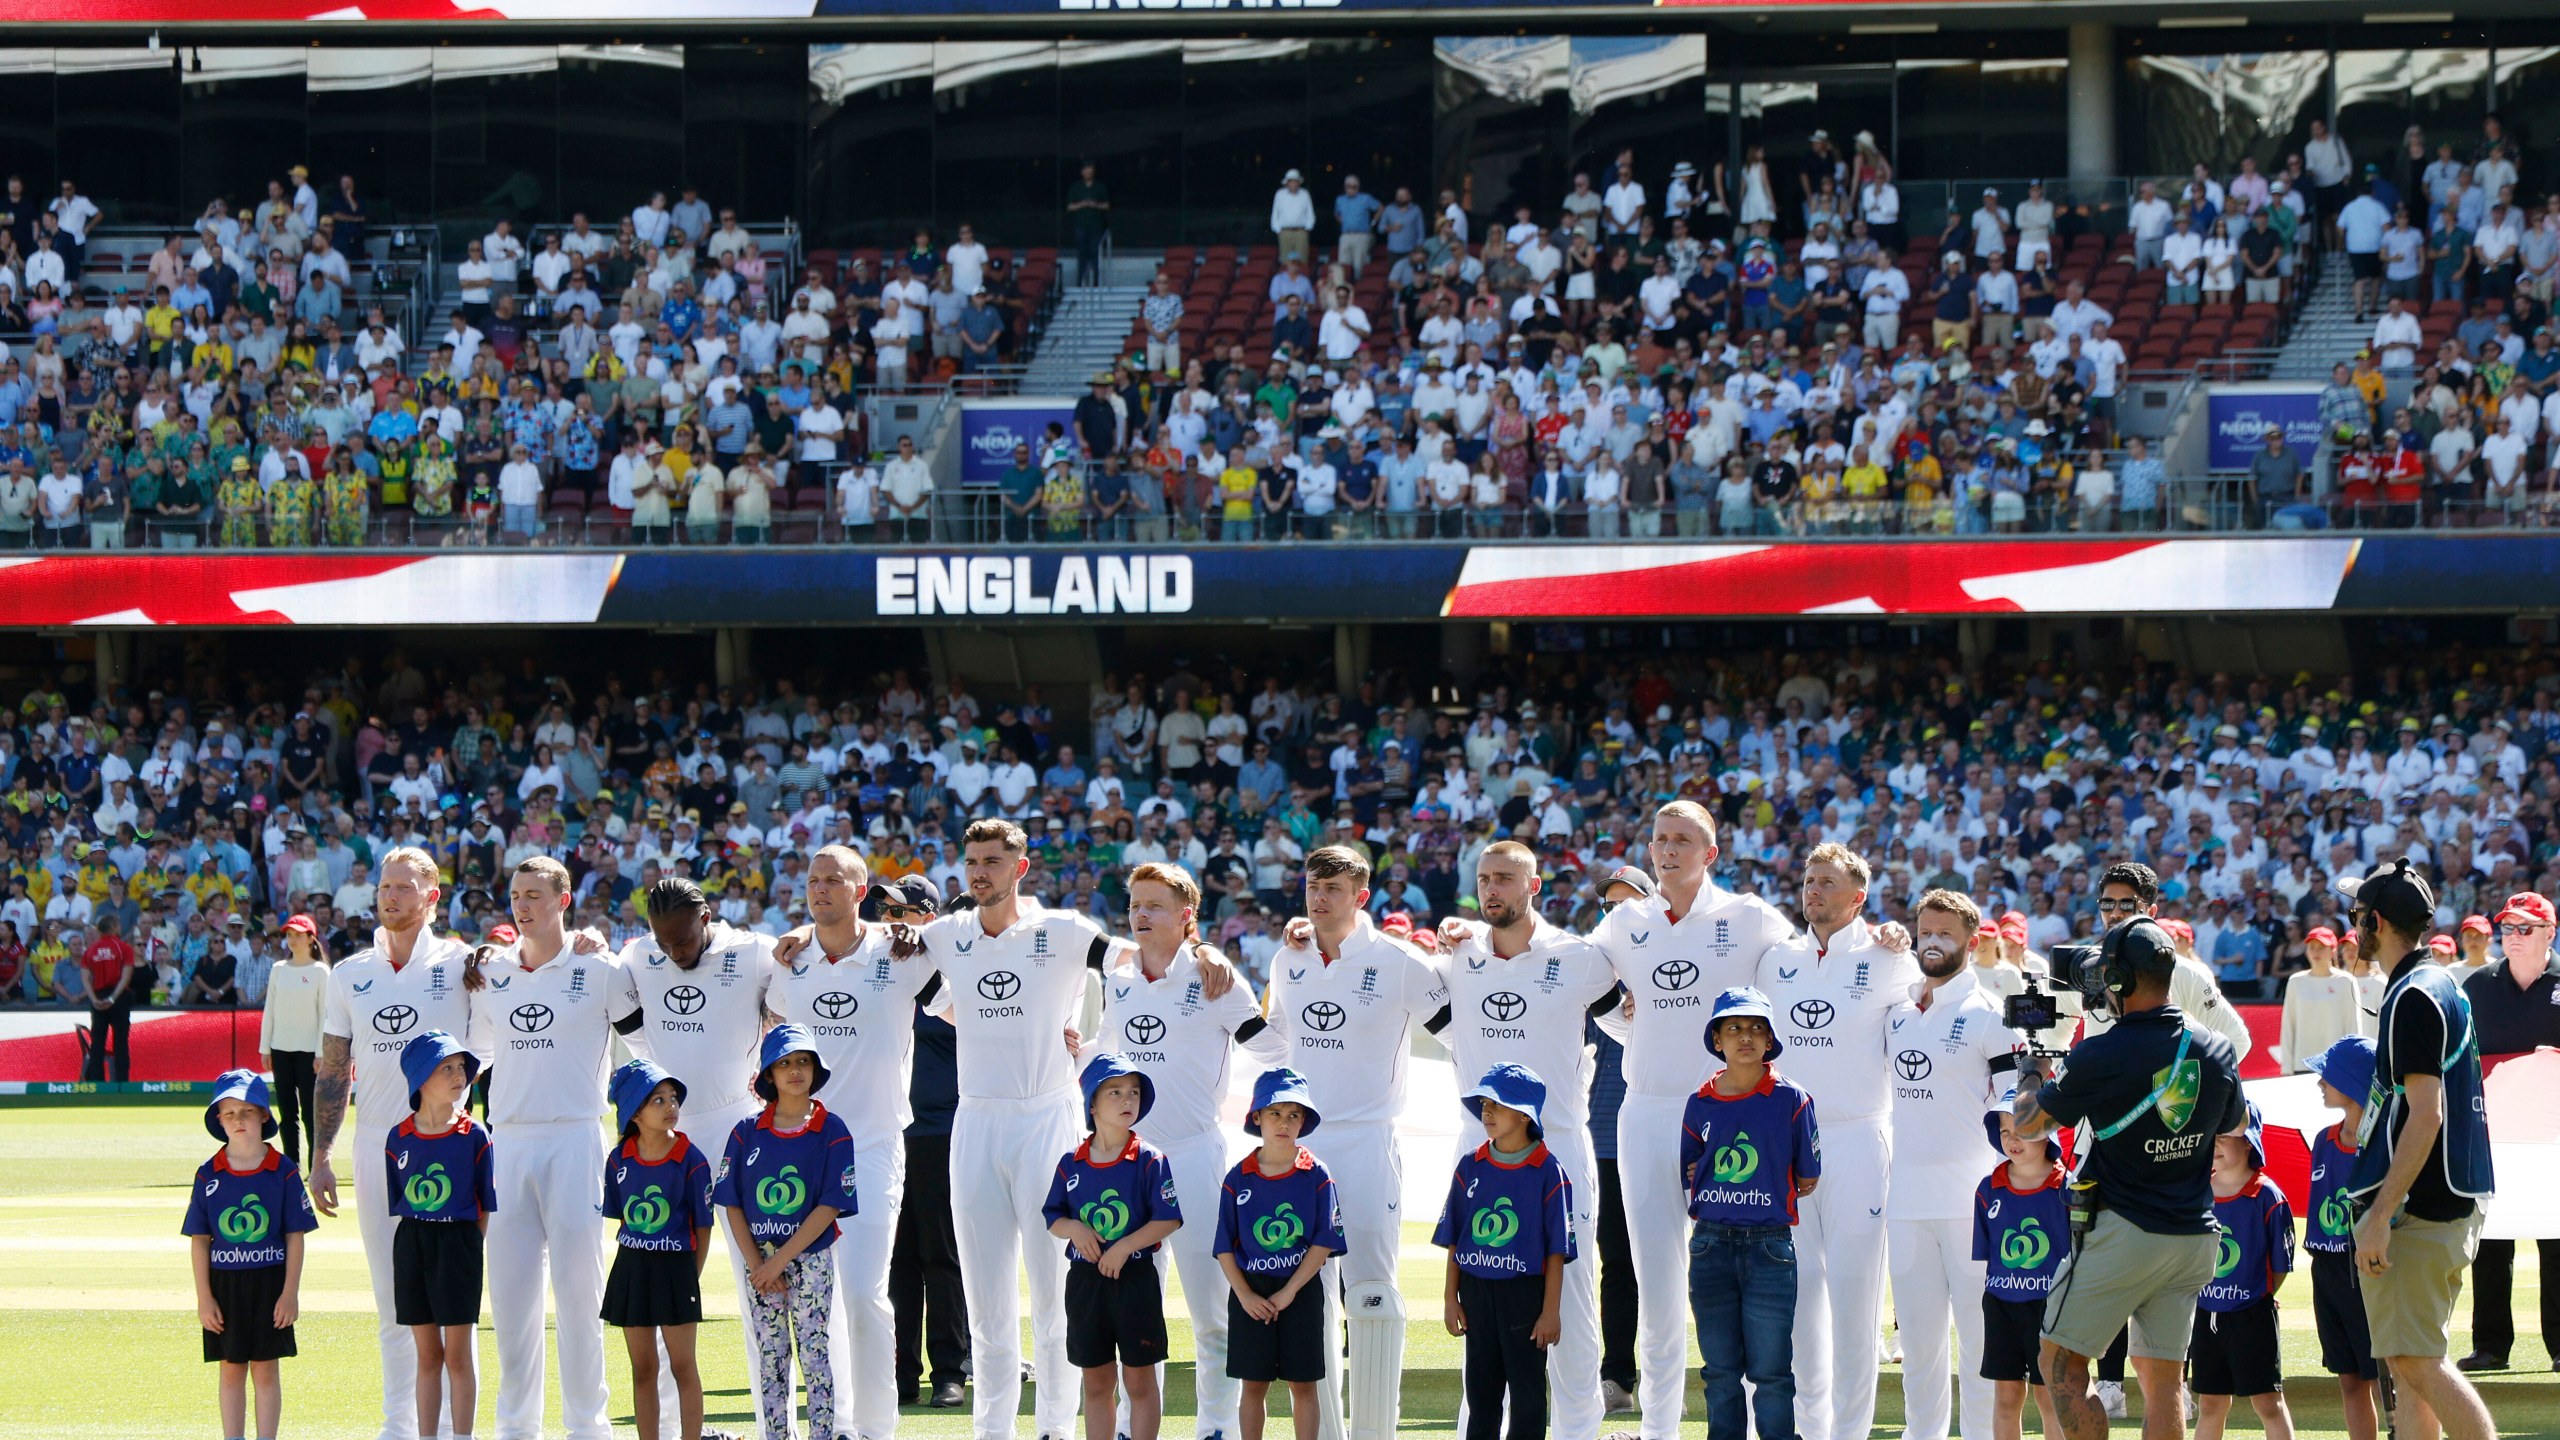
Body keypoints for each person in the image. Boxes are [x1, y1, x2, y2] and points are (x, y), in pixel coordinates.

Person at [1588, 800, 1794, 1440]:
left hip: (1732, 1114)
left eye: (1682, 840)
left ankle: (1763, 1420)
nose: (1668, 849)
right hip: (1646, 1109)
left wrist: (1883, 936)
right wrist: (1634, 1024)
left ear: (1710, 853)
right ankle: (1659, 1423)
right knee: (1653, 1271)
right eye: (1659, 839)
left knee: (1744, 1270)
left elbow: (1808, 970)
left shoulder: (1750, 915)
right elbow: (1576, 980)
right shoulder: (1625, 921)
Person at [2012, 916, 2247, 1440]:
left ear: (2118, 981)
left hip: (2123, 1231)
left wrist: (2031, 1071)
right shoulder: (2214, 1046)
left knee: (2060, 1364)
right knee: (2164, 1385)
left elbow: (2031, 1124)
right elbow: (2235, 1123)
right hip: (2192, 1234)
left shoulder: (2103, 1050)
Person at [1431, 841, 1620, 1440]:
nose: (1493, 890)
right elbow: (1392, 969)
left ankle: (1578, 1431)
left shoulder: (1580, 957)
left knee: (1574, 1292)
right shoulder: (1457, 956)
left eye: (1506, 879)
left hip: (1559, 1143)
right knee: (1485, 1287)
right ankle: (1476, 1430)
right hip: (1479, 1146)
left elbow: (1632, 1018)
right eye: (1485, 879)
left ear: (1533, 886)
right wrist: (1306, 932)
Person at [1260, 843, 1449, 1440]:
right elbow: (1273, 1042)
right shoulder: (1286, 958)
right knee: (1305, 1297)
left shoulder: (1397, 962)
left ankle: (1377, 1430)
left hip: (1368, 1144)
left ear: (1361, 897)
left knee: (1370, 1291)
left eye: (1333, 889)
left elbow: (1460, 1034)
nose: (1319, 898)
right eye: (1313, 887)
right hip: (1299, 1149)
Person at [1100, 862, 1284, 1440]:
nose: (1141, 915)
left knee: (1211, 1311)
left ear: (1187, 916)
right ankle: (1134, 1428)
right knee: (1135, 1315)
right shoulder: (1120, 978)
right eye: (1134, 904)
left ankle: (1216, 1428)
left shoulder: (1217, 979)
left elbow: (1276, 1051)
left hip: (1195, 1157)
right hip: (1130, 1167)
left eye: (1155, 905)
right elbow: (1107, 1064)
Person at [468, 856, 641, 1440]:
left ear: (563, 901)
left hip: (576, 1139)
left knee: (579, 1295)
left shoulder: (600, 969)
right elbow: (474, 1057)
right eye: (516, 895)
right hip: (508, 1142)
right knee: (512, 1303)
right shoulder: (491, 972)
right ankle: (517, 1428)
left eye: (536, 895)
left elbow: (646, 1042)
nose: (523, 905)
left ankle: (588, 1427)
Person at [311, 846, 477, 1440]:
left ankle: (462, 1428)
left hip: (451, 1149)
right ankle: (399, 1426)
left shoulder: (466, 965)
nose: (390, 896)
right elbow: (332, 1071)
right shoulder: (350, 972)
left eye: (405, 887)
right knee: (393, 1296)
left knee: (454, 1306)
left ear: (433, 897)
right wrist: (321, 1155)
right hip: (377, 1151)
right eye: (385, 886)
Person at [1759, 843, 1917, 1440]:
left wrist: (1900, 937)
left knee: (1855, 1300)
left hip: (1857, 1140)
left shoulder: (1886, 956)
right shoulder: (1776, 960)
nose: (1813, 891)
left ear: (1859, 897)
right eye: (1808, 881)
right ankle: (1808, 1427)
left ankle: (1849, 1431)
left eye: (1827, 882)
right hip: (1786, 1143)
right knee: (1797, 1298)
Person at [2338, 860, 2498, 1440]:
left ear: (2377, 920)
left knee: (2415, 1362)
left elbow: (2426, 1114)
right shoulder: (2438, 984)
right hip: (2445, 1200)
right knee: (2413, 1370)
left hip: (2420, 1210)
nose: (2354, 928)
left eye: (2358, 917)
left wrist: (2380, 1213)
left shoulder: (2413, 994)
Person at [622, 875, 783, 1438]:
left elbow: (801, 980)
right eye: (663, 942)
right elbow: (631, 1030)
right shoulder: (638, 956)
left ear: (707, 917)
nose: (674, 951)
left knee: (760, 1278)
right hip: (669, 1135)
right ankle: (667, 1430)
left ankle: (775, 1425)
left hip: (739, 1125)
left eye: (683, 941)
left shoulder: (754, 952)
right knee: (664, 1281)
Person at [1888, 888, 2026, 1440]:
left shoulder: (1989, 1016)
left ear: (1973, 942)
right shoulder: (1895, 1011)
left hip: (1972, 1204)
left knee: (1979, 1342)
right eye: (1925, 932)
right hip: (1904, 1201)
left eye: (1945, 933)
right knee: (1919, 1343)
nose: (1933, 942)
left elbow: (2019, 1105)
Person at [1680, 986, 1820, 1440]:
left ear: (1770, 1040)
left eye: (1757, 1028)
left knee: (1772, 1372)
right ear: (1716, 1040)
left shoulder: (1792, 1099)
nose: (1746, 1037)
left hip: (1770, 1248)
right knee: (1719, 1371)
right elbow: (1689, 1169)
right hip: (1710, 1245)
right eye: (1734, 1028)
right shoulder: (1699, 1102)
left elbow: (1808, 1177)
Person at [718, 1025, 858, 1440]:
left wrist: (780, 1259)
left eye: (803, 1061)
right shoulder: (746, 1131)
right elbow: (732, 1203)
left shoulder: (833, 1129)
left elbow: (830, 1205)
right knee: (771, 1358)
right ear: (769, 1075)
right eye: (784, 1063)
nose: (794, 1070)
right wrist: (758, 1265)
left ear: (815, 1069)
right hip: (759, 1265)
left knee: (815, 1353)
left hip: (811, 1258)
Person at [1044, 1053, 1185, 1440]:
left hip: (1135, 1279)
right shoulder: (1071, 1163)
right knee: (1096, 1383)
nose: (1127, 1101)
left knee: (1138, 1383)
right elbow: (1053, 1217)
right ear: (1092, 1103)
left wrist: (1124, 1247)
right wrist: (1075, 1228)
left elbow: (1168, 1218)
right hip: (1086, 1284)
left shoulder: (1149, 1160)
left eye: (1134, 1093)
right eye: (1115, 1092)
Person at [1436, 1063, 1575, 1440]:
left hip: (1524, 1296)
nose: (1486, 1111)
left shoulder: (1549, 1172)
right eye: (1484, 1103)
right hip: (1476, 1292)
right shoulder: (1470, 1165)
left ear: (1525, 1113)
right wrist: (1451, 1298)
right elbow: (1454, 1240)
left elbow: (1556, 1253)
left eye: (1497, 1103)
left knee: (1528, 1396)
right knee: (1482, 1394)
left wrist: (1550, 1312)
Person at [2457, 889, 2560, 1373]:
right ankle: (2491, 1345)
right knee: (2490, 1243)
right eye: (2508, 928)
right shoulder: (2478, 986)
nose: (2513, 937)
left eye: (2525, 928)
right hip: (2493, 1135)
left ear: (2549, 933)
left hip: (2553, 1140)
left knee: (2557, 1242)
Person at [186, 1069, 317, 1440]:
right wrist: (204, 1297)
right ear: (218, 1120)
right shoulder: (208, 1173)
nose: (238, 1120)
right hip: (224, 1285)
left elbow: (295, 1235)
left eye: (246, 1111)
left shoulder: (284, 1171)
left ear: (264, 1115)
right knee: (230, 1368)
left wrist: (290, 1292)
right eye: (229, 1113)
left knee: (265, 1369)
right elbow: (199, 1238)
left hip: (270, 1281)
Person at [1216, 1068, 1344, 1440]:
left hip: (1300, 1291)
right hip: (1250, 1292)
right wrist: (1245, 1296)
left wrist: (1290, 1291)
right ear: (1256, 1117)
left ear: (1304, 1120)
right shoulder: (1238, 1177)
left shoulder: (1317, 1175)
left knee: (1303, 1385)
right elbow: (1224, 1245)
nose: (1283, 1123)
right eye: (1274, 1113)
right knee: (1253, 1386)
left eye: (1293, 1114)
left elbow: (1324, 1241)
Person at [601, 1059, 717, 1440]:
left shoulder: (691, 1159)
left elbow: (703, 1225)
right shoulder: (619, 1159)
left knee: (683, 1366)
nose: (670, 1107)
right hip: (632, 1269)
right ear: (634, 1112)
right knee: (643, 1368)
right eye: (658, 1100)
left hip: (677, 1269)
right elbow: (622, 1219)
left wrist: (688, 1275)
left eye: (672, 1099)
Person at [390, 1031, 494, 1440]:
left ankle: (463, 1436)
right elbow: (398, 1198)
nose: (458, 1076)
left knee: (457, 1354)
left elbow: (485, 1205)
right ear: (420, 1079)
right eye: (445, 1068)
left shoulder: (475, 1137)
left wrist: (465, 1249)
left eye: (461, 1069)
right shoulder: (397, 1138)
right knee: (428, 1355)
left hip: (459, 1246)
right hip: (412, 1245)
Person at [2191, 1103, 2298, 1440]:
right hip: (2205, 1313)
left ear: (2249, 1142)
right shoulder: (2197, 1192)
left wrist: (2256, 1296)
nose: (2214, 1143)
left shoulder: (2268, 1197)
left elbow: (2280, 1267)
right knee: (2210, 1402)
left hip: (2252, 1316)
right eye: (2210, 1135)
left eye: (2223, 1136)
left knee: (2267, 1402)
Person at [2302, 1037, 2382, 1440]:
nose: (2319, 1082)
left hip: (2370, 1269)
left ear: (2351, 1082)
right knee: (2348, 1378)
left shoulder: (2383, 1142)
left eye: (2327, 1075)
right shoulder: (2321, 1140)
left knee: (2389, 1378)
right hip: (2327, 1271)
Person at [1975, 1110, 2067, 1440]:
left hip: (2052, 1308)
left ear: (2047, 1135)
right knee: (2007, 1396)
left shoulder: (2067, 1189)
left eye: (2022, 1130)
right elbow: (1988, 1254)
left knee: (2050, 1396)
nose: (2012, 1140)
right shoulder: (1988, 1189)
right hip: (2001, 1306)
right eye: (2004, 1131)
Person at [259, 913, 330, 1166]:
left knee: (311, 1113)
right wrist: (265, 1047)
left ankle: (316, 1165)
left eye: (298, 935)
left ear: (311, 938)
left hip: (309, 1052)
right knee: (287, 1113)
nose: (292, 940)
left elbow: (325, 1014)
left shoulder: (321, 971)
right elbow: (270, 1009)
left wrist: (321, 1052)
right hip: (281, 1049)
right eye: (289, 935)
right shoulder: (279, 969)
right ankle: (291, 1164)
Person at [2278, 925, 2363, 1074]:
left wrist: (2351, 1066)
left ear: (2333, 951)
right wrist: (2287, 1067)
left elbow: (2353, 1028)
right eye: (2312, 947)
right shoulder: (2295, 981)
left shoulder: (2346, 981)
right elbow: (2288, 1027)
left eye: (2322, 947)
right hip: (2302, 1064)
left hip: (2336, 1067)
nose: (2316, 952)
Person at [77, 910, 139, 1081]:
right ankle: (121, 1082)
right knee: (120, 1042)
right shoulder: (124, 947)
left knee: (97, 1043)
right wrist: (112, 998)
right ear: (113, 927)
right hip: (118, 997)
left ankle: (96, 1083)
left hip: (98, 996)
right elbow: (126, 976)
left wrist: (94, 999)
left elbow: (85, 978)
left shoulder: (90, 950)